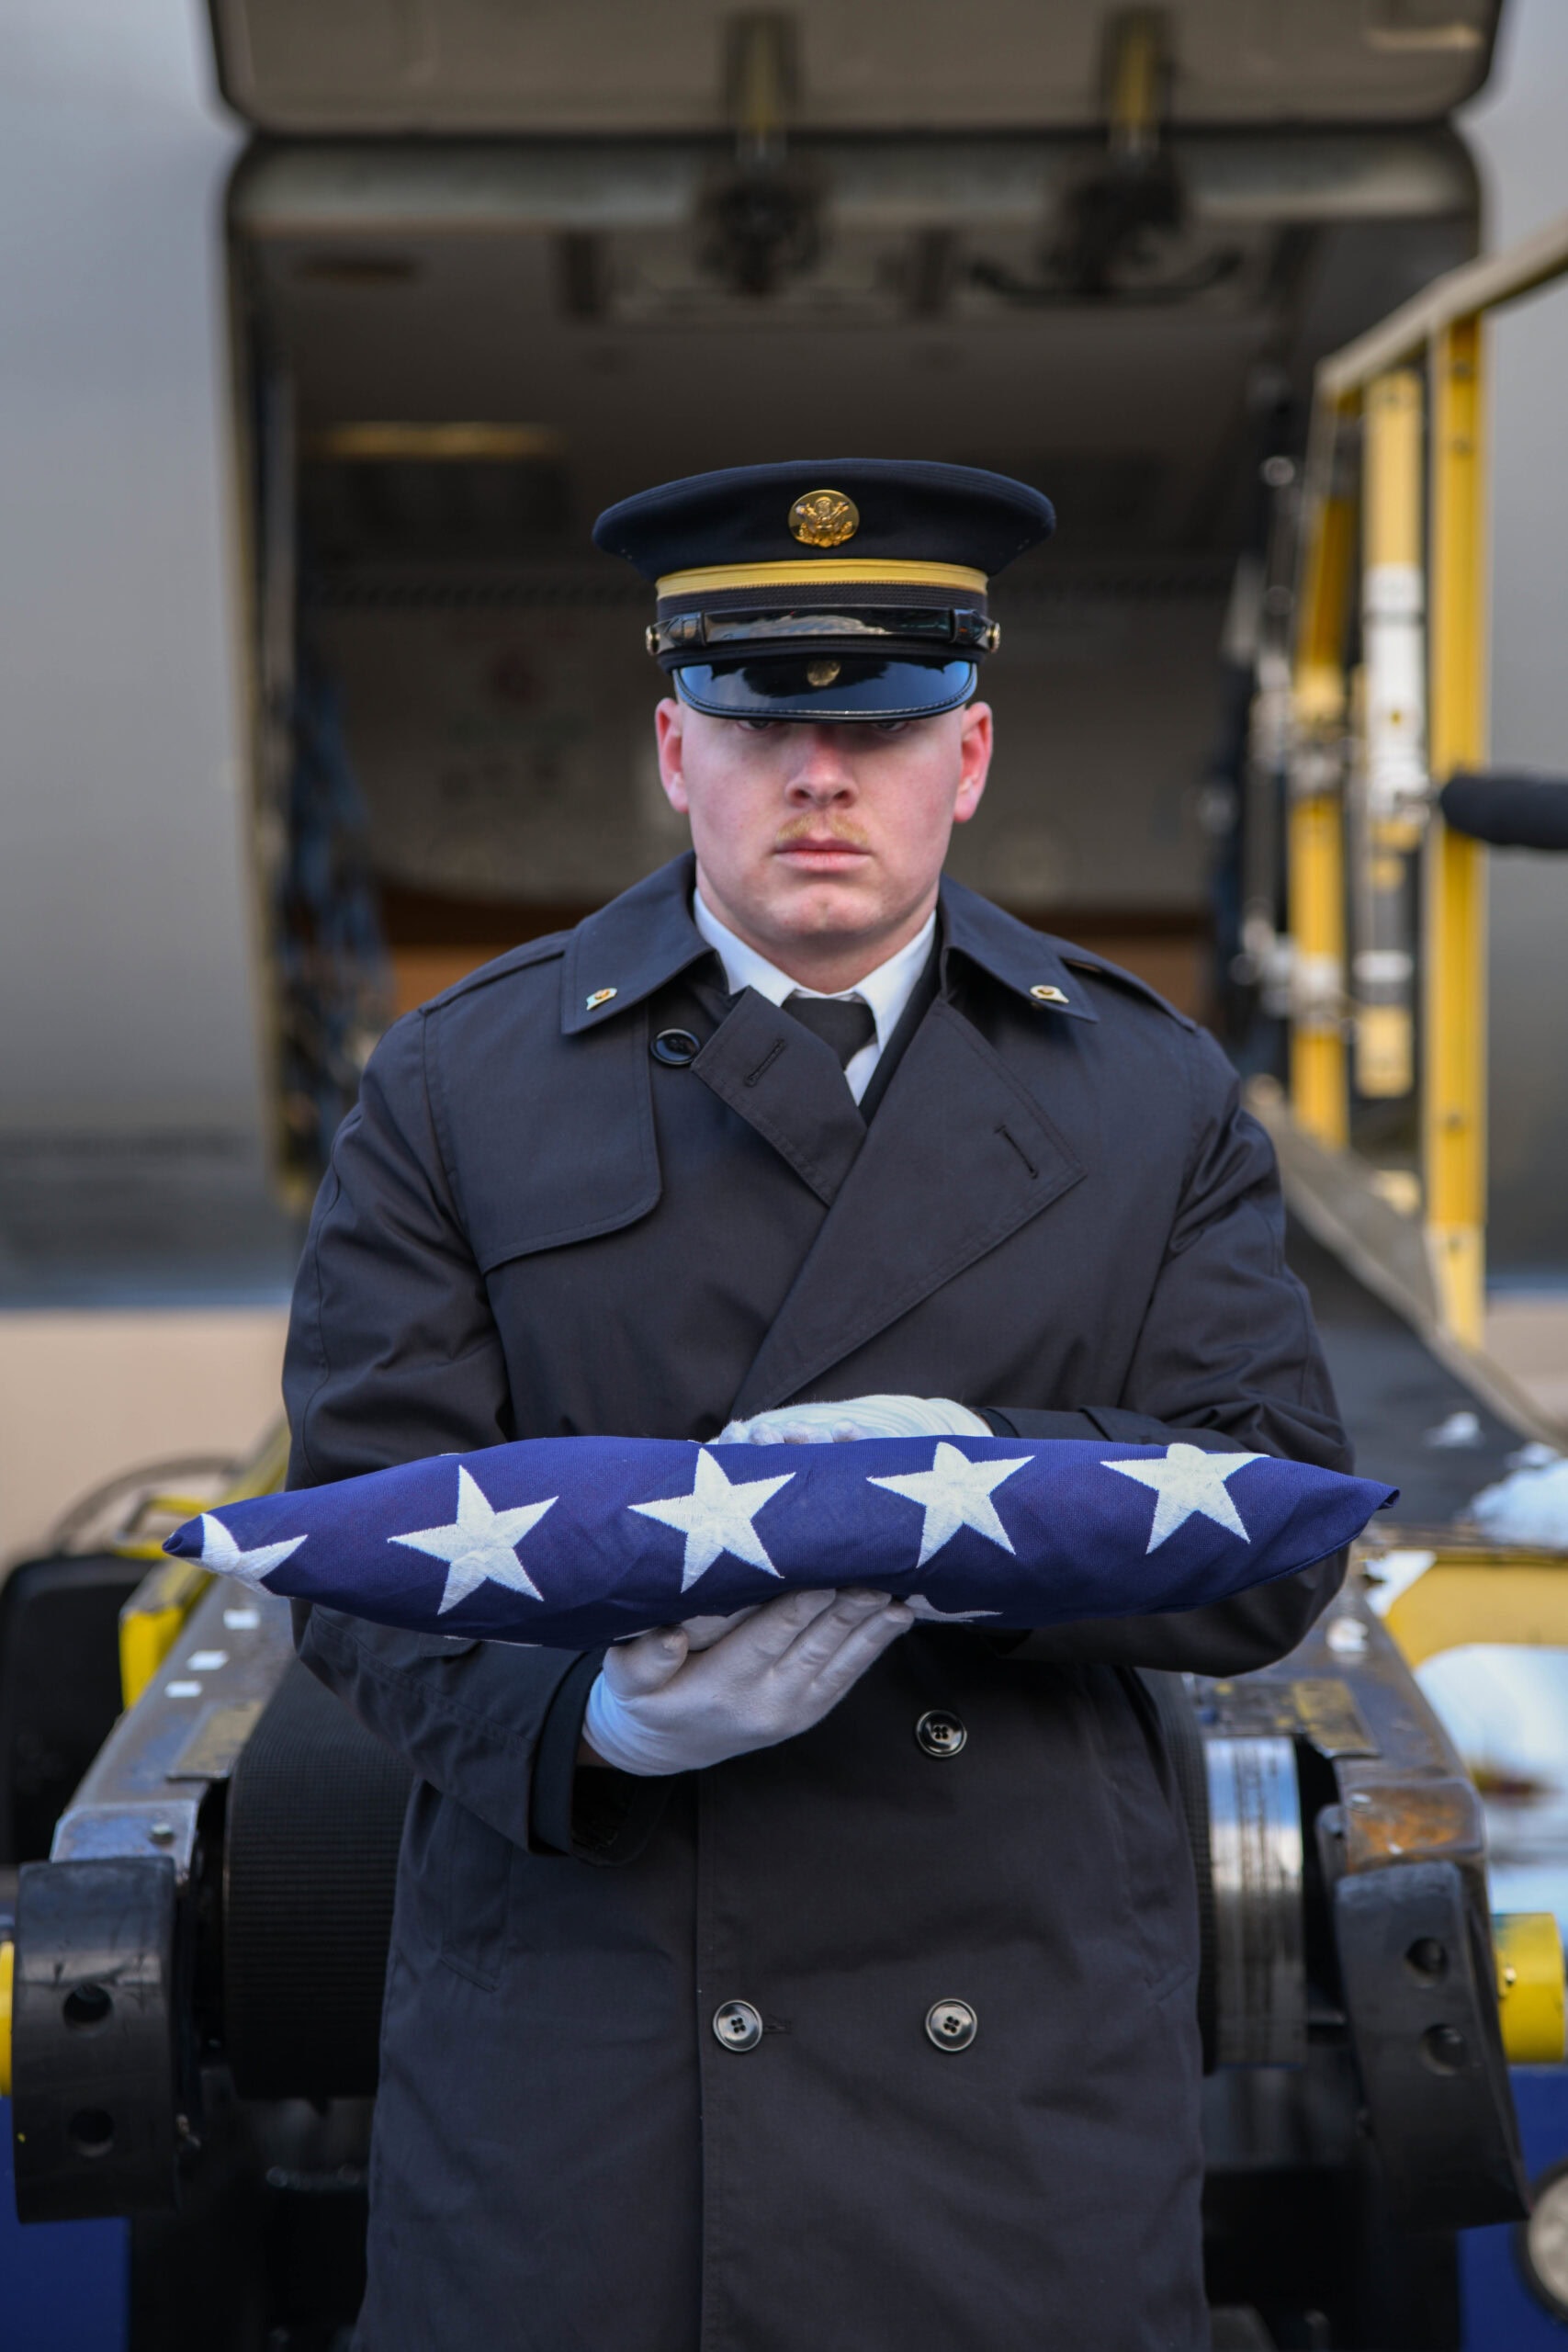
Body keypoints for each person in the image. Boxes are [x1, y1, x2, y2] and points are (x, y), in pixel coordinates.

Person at [285, 458, 1349, 2352]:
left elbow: (1269, 1528)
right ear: (672, 747)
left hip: (999, 2041)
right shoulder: (455, 1084)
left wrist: (976, 1503)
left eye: (880, 721)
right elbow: (364, 1529)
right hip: (597, 2029)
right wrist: (593, 1716)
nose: (821, 775)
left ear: (971, 752)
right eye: (765, 720)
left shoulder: (1146, 1091)